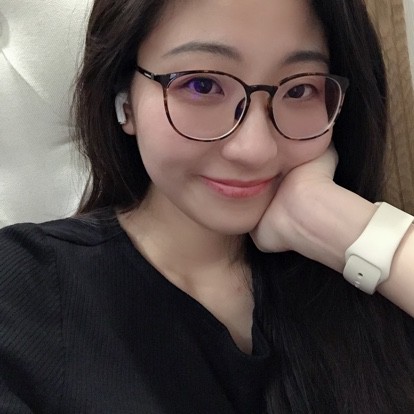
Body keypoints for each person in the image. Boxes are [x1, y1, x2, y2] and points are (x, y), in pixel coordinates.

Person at [1, 0, 414, 412]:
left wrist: (350, 231)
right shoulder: (25, 288)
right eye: (201, 85)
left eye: (300, 89)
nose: (255, 149)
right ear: (124, 100)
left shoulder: (356, 270)